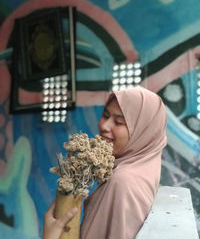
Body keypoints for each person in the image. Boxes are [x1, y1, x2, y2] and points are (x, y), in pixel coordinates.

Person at [43, 86, 167, 239]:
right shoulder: (143, 167)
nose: (104, 126)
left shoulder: (123, 183)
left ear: (143, 132)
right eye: (105, 115)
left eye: (119, 122)